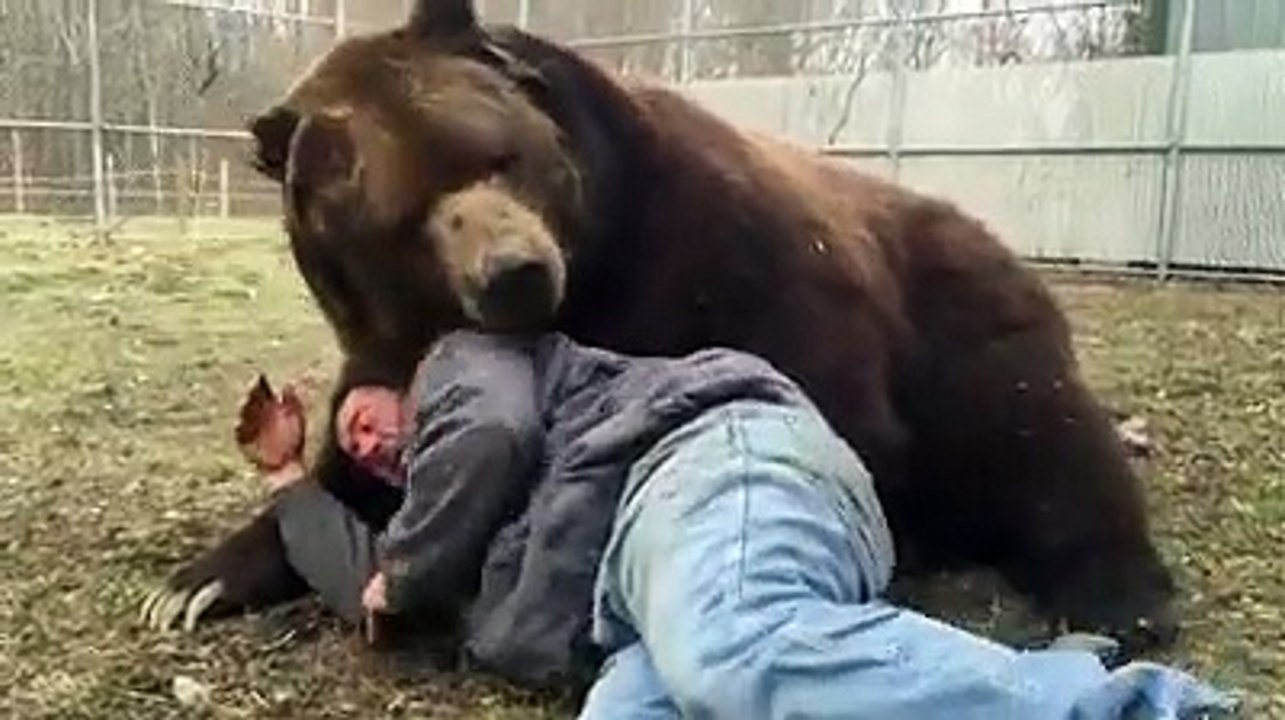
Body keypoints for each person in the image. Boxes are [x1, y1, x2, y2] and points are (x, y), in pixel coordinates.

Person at [238, 330, 1238, 719]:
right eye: (355, 450)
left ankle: (1135, 710)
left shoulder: (467, 366)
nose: (368, 443)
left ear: (409, 389)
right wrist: (289, 477)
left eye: (367, 419)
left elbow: (489, 436)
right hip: (634, 604)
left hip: (708, 468)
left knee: (730, 642)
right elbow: (369, 580)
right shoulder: (444, 523)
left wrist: (407, 571)